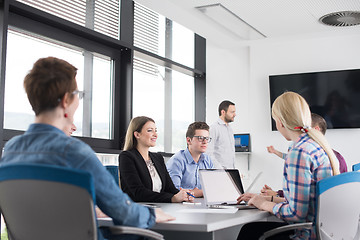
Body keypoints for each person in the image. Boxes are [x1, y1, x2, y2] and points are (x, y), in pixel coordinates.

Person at [0, 57, 174, 239]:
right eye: (78, 94)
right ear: (66, 100)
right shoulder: (75, 152)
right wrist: (153, 214)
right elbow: (123, 212)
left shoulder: (11, 151)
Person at [237, 91, 339, 240]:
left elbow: (296, 214)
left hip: (305, 235)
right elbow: (306, 201)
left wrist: (263, 205)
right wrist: (264, 199)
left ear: (280, 121)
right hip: (322, 232)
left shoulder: (299, 152)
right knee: (250, 230)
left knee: (249, 232)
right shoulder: (315, 145)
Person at [264, 113, 347, 197]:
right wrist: (276, 194)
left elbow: (305, 201)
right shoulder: (334, 156)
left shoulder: (306, 155)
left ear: (316, 130)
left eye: (302, 130)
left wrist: (274, 197)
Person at [119, 116, 193, 203]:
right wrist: (171, 198)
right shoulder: (127, 157)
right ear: (137, 134)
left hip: (160, 206)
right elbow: (138, 192)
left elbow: (170, 189)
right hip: (139, 208)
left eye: (156, 130)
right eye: (150, 130)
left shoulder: (158, 158)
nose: (155, 135)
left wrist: (183, 195)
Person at [166, 122, 214, 197]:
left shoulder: (207, 160)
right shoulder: (177, 161)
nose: (205, 142)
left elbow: (212, 189)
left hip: (203, 204)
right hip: (181, 206)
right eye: (200, 138)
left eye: (207, 138)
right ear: (189, 140)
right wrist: (202, 193)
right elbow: (174, 192)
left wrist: (196, 193)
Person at [206, 100, 236, 169]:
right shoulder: (214, 128)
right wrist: (220, 169)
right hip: (220, 172)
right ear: (223, 112)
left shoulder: (229, 129)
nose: (235, 114)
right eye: (232, 112)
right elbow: (208, 153)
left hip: (230, 171)